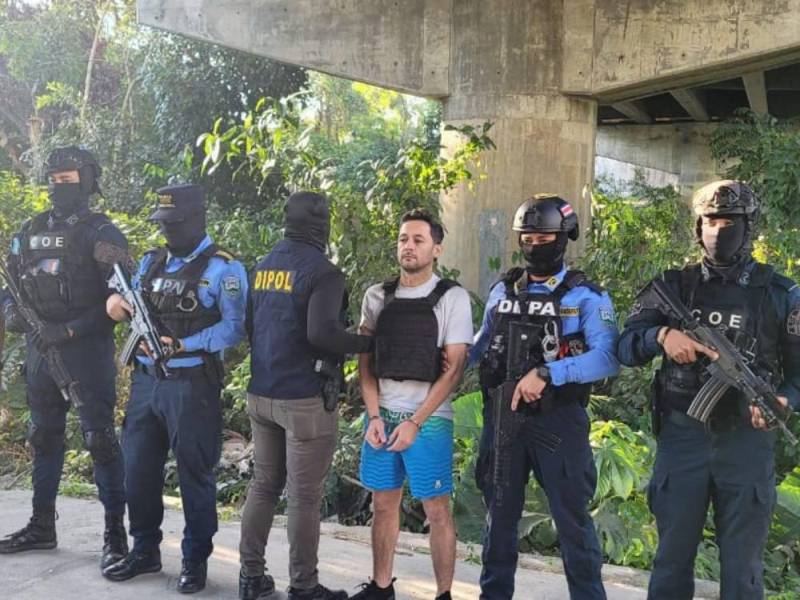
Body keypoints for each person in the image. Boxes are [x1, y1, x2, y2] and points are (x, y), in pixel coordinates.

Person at [618, 180, 800, 599]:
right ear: (697, 227)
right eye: (711, 220)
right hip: (682, 438)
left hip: (746, 444)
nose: (719, 229)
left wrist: (783, 400)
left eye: (729, 221)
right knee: (670, 563)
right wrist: (662, 335)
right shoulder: (672, 286)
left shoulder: (781, 294)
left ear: (748, 226)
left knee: (742, 571)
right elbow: (624, 346)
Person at [471, 194, 619, 600]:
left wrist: (549, 373)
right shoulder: (503, 289)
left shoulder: (586, 296)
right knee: (499, 521)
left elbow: (608, 358)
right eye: (527, 237)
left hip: (558, 422)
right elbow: (480, 346)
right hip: (504, 418)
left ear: (563, 237)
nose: (535, 245)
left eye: (544, 237)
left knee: (572, 523)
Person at [103, 183, 247, 594]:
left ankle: (194, 560)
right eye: (163, 224)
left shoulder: (225, 269)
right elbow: (117, 298)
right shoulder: (149, 262)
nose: (167, 231)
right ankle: (145, 548)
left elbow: (234, 328)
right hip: (146, 382)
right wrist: (115, 306)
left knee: (193, 474)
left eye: (175, 224)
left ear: (197, 219)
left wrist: (183, 343)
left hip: (191, 384)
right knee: (139, 471)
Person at [0, 146, 129, 571]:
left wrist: (71, 330)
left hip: (85, 350)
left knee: (100, 441)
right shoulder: (30, 229)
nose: (60, 185)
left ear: (88, 179)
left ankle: (115, 536)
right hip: (40, 350)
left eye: (69, 177)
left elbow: (121, 298)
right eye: (54, 177)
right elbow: (8, 285)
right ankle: (42, 524)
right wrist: (12, 314)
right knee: (43, 437)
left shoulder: (102, 233)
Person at [239, 191, 373, 600]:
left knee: (263, 486)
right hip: (303, 403)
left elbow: (251, 326)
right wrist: (370, 343)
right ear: (322, 225)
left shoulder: (264, 266)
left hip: (261, 393)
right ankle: (304, 586)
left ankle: (250, 578)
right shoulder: (324, 272)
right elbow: (323, 334)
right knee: (303, 496)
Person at [349, 208, 473, 600]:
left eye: (418, 240)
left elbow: (453, 370)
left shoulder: (452, 297)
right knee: (383, 504)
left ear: (436, 249)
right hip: (382, 414)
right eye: (403, 238)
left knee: (436, 509)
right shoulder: (376, 296)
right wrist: (372, 415)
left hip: (430, 419)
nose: (409, 246)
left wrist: (416, 421)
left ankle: (444, 594)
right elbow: (364, 364)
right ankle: (381, 587)